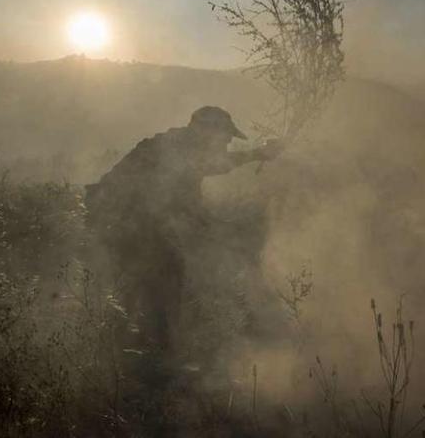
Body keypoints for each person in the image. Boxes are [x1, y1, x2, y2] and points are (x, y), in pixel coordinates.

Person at [85, 106, 282, 353]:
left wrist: (224, 230)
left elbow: (190, 206)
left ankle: (139, 349)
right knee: (163, 278)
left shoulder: (179, 147)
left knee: (153, 283)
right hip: (124, 223)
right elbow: (205, 168)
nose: (228, 141)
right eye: (225, 136)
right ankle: (153, 355)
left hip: (131, 223)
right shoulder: (175, 147)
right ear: (206, 131)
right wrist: (258, 153)